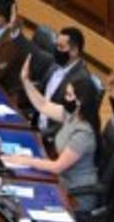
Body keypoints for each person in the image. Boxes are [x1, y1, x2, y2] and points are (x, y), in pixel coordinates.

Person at [7, 58, 103, 213]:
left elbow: (57, 167)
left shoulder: (83, 134)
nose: (65, 98)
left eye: (69, 95)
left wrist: (25, 160)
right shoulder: (72, 114)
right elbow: (43, 105)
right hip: (60, 181)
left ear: (80, 101)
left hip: (74, 195)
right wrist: (25, 80)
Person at [37, 26, 90, 134]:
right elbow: (42, 93)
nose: (57, 50)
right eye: (56, 45)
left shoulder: (81, 80)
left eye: (61, 47)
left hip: (49, 134)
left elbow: (68, 120)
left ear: (74, 51)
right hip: (35, 120)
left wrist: (41, 135)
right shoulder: (56, 65)